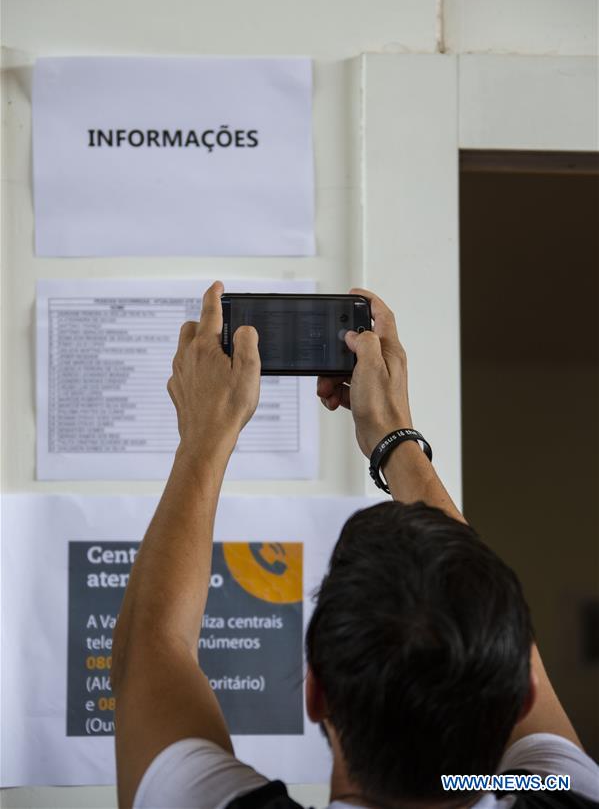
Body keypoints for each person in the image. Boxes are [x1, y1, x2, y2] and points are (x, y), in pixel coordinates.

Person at [111, 282, 599, 809]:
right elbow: (150, 650)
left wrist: (205, 434)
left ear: (315, 694)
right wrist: (391, 432)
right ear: (521, 696)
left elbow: (150, 646)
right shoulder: (557, 793)